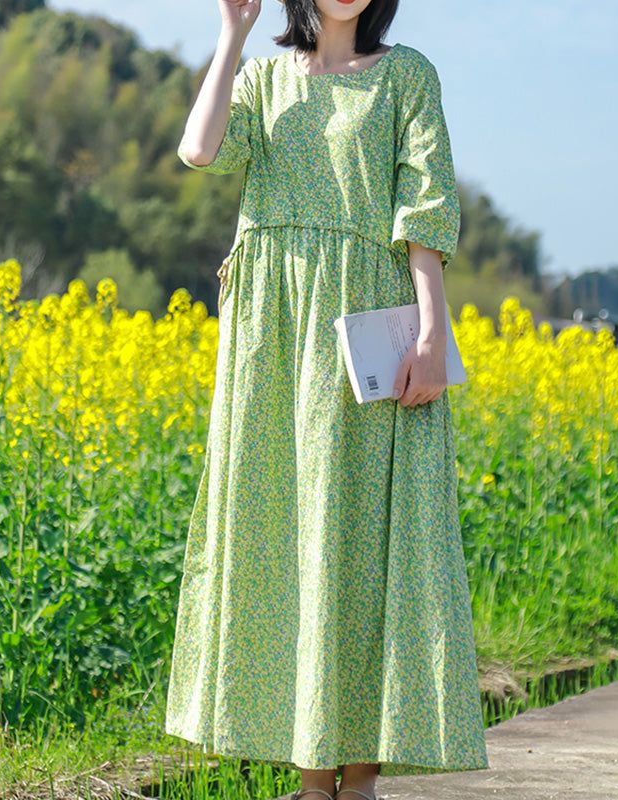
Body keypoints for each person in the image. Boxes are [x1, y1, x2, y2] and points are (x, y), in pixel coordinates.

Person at [165, 1, 489, 799]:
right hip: (272, 334)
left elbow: (426, 213)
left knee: (366, 535)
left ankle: (362, 777)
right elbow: (199, 149)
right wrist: (230, 34)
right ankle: (313, 779)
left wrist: (432, 339)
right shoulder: (266, 78)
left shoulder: (406, 75)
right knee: (290, 537)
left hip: (366, 324)